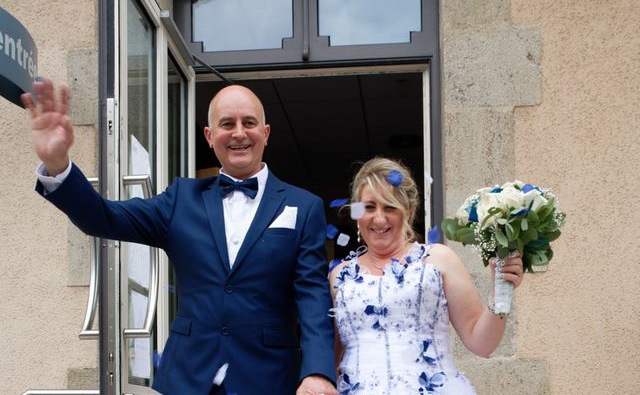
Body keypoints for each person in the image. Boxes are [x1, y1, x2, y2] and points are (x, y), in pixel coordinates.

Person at [21, 79, 338, 395]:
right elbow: (102, 218)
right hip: (186, 379)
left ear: (265, 134)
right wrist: (57, 163)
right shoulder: (181, 199)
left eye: (249, 123)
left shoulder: (303, 206)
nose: (239, 133)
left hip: (268, 379)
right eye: (227, 124)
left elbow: (312, 296)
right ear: (210, 136)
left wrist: (318, 371)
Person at [329, 157, 524, 394]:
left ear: (408, 211)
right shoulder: (340, 276)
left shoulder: (439, 259)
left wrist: (500, 290)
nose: (379, 218)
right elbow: (335, 357)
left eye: (389, 207)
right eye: (369, 207)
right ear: (357, 213)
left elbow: (482, 344)